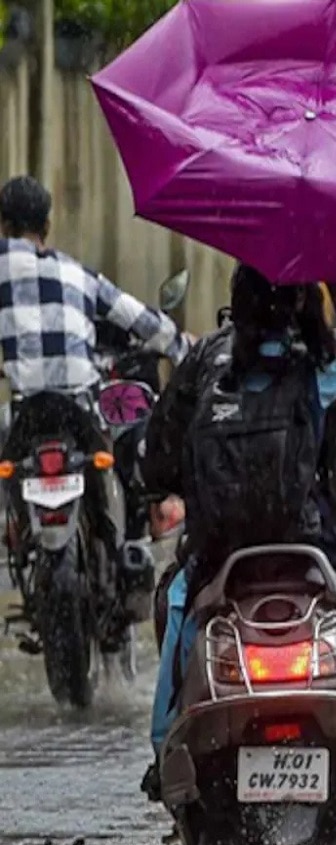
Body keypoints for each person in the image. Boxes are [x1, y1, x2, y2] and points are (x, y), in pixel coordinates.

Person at [141, 264, 336, 786]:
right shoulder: (332, 361)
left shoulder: (207, 361)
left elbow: (155, 461)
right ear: (301, 303)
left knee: (175, 604)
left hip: (218, 554)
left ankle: (165, 750)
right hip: (317, 547)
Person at [0, 175, 190, 622]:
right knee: (114, 461)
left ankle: (18, 535)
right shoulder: (76, 273)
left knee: (11, 468)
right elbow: (142, 319)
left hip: (26, 410)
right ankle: (122, 547)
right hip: (76, 409)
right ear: (47, 224)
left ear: (4, 223)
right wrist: (185, 348)